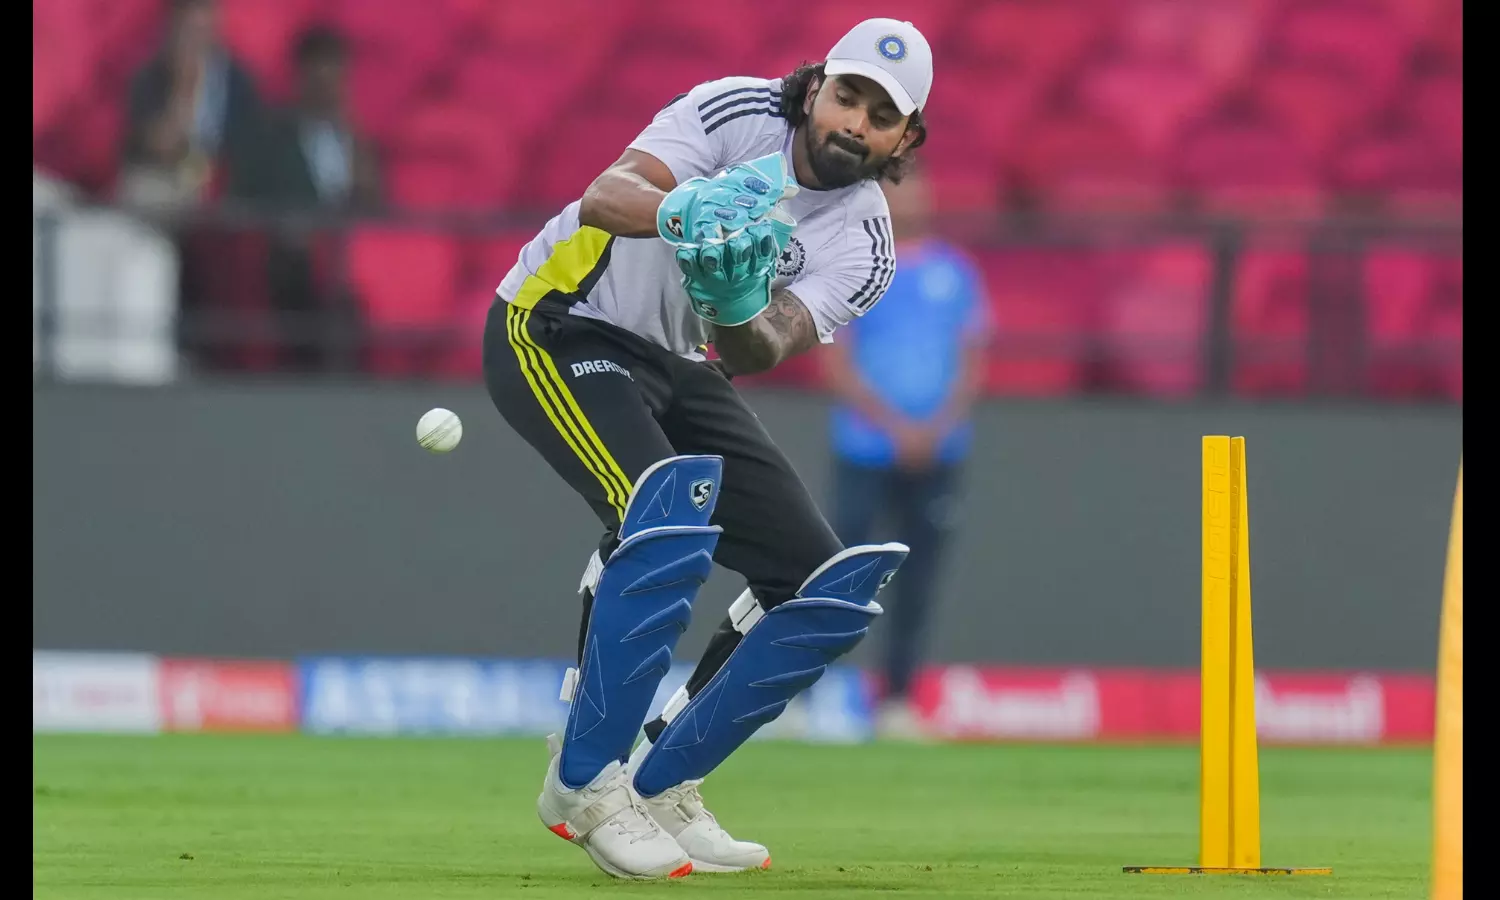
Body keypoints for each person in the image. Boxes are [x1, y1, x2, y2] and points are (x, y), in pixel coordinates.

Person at [482, 18, 933, 880]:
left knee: (819, 586)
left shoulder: (866, 243)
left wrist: (733, 299)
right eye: (847, 96)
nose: (855, 123)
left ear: (904, 139)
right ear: (815, 88)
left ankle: (663, 781)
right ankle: (584, 784)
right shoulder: (738, 112)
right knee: (662, 518)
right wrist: (679, 211)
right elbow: (605, 196)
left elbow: (759, 348)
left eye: (882, 116)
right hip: (559, 320)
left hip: (678, 357)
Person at [821, 167, 992, 740]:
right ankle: (816, 693)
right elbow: (836, 361)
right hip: (866, 448)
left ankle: (896, 700)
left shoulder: (955, 272)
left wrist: (935, 427)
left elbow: (971, 359)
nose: (910, 200)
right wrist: (895, 427)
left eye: (918, 189)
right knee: (839, 571)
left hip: (939, 452)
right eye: (898, 190)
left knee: (918, 579)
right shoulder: (855, 266)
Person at [230, 24, 383, 372]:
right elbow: (246, 197)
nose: (328, 89)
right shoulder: (271, 136)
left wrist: (363, 171)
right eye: (319, 78)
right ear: (301, 78)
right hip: (288, 256)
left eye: (335, 78)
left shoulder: (357, 141)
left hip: (345, 258)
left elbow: (376, 206)